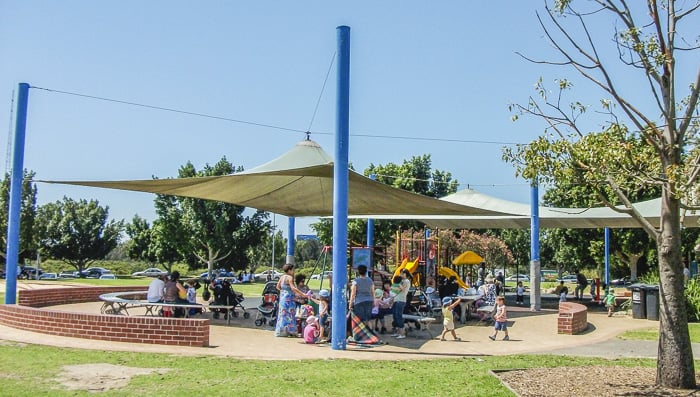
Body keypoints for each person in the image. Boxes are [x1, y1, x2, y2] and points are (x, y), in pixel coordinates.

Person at [274, 263, 305, 337]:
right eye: (293, 269)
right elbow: (293, 288)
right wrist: (302, 294)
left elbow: (277, 287)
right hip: (289, 299)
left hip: (282, 299)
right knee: (290, 315)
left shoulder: (282, 277)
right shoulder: (290, 278)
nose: (293, 271)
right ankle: (291, 331)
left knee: (282, 315)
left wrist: (284, 291)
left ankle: (281, 331)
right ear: (289, 270)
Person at [391, 270, 411, 339]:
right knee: (395, 316)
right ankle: (398, 332)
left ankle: (402, 333)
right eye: (401, 273)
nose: (401, 275)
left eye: (403, 273)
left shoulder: (406, 281)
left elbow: (402, 289)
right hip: (396, 300)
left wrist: (398, 282)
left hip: (401, 300)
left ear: (406, 274)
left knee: (398, 316)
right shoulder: (401, 281)